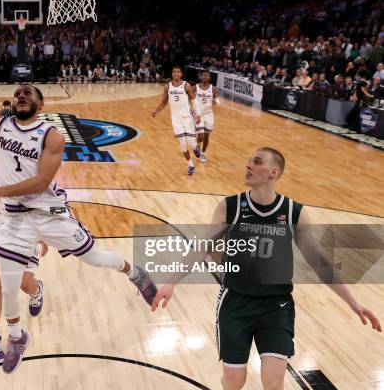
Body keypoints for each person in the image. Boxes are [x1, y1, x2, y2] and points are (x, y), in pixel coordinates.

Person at [0, 32, 157, 374]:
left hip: (49, 213)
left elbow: (42, 182)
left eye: (27, 93)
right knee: (7, 281)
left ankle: (135, 272)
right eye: (17, 93)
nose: (20, 96)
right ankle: (16, 337)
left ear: (40, 104)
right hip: (15, 219)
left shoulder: (51, 136)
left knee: (93, 258)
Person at [151, 147, 381, 390]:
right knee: (234, 383)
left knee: (273, 383)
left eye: (256, 162)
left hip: (276, 306)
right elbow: (202, 246)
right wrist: (171, 281)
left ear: (274, 172)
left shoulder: (294, 212)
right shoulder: (230, 207)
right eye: (248, 161)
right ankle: (229, 380)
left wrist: (353, 302)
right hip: (235, 303)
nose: (248, 165)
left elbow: (319, 262)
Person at [0, 169, 48, 363]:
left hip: (29, 236)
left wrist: (44, 235)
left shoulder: (33, 173)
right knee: (0, 282)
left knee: (25, 284)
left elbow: (43, 208)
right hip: (2, 236)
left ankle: (36, 290)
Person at [151, 66, 202, 175]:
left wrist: (197, 115)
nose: (176, 73)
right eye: (174, 72)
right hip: (176, 119)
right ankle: (190, 165)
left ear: (181, 74)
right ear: (172, 74)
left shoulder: (186, 86)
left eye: (178, 71)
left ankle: (196, 148)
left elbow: (194, 100)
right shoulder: (167, 86)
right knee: (183, 143)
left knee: (192, 143)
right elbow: (164, 102)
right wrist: (156, 111)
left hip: (187, 118)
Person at [194, 70, 219, 163]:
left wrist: (215, 102)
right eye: (203, 75)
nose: (205, 76)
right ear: (201, 77)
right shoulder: (195, 87)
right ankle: (195, 145)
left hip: (209, 115)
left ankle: (203, 154)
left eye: (207, 75)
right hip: (199, 115)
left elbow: (218, 101)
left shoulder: (213, 88)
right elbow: (189, 97)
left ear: (209, 77)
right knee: (201, 136)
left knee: (207, 137)